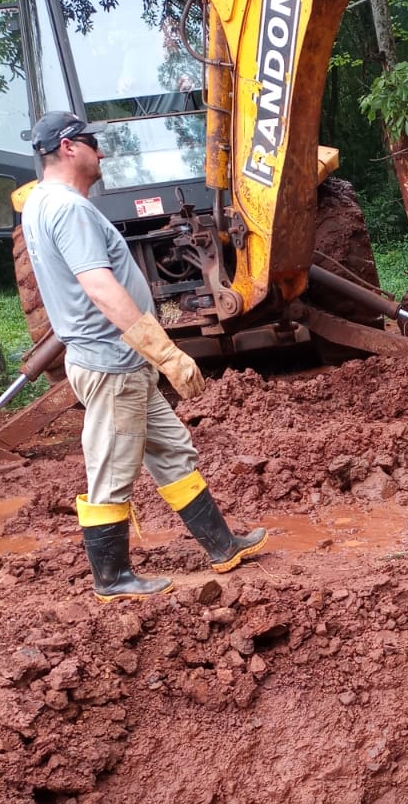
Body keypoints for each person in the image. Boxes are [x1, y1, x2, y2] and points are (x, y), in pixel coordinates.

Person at [19, 109, 266, 599]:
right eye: (92, 142)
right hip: (111, 365)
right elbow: (99, 288)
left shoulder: (42, 204)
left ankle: (222, 546)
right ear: (69, 147)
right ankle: (112, 578)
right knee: (112, 469)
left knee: (173, 451)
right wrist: (167, 354)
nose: (101, 151)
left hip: (122, 365)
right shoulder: (68, 209)